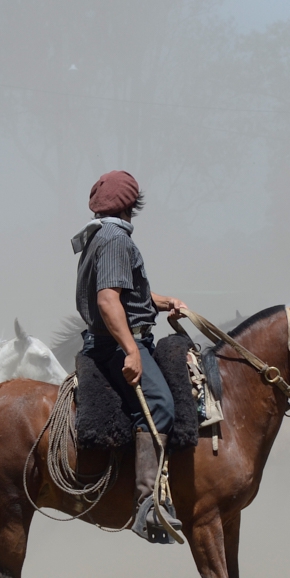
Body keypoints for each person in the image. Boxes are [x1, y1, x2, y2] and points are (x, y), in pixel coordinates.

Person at [73, 170, 188, 544]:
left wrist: (163, 301)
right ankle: (148, 504)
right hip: (117, 344)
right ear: (131, 204)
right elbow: (108, 301)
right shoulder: (114, 239)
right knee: (159, 406)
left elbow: (124, 293)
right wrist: (131, 351)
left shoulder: (100, 235)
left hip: (123, 338)